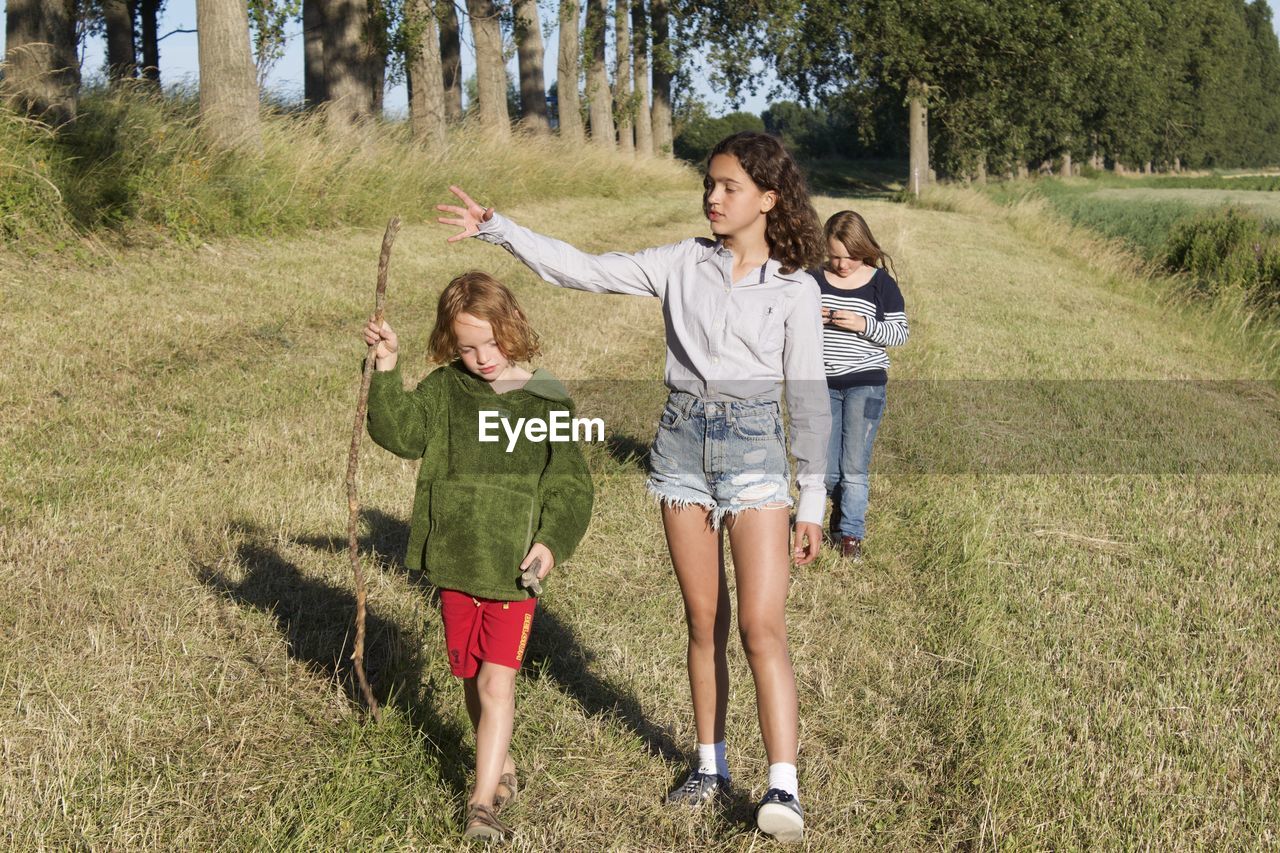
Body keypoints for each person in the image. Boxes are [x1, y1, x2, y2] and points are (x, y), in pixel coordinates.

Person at [437, 132, 829, 843]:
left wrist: (814, 499)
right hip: (681, 447)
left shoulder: (795, 290)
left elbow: (808, 400)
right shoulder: (682, 263)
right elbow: (583, 269)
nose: (712, 197)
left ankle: (782, 784)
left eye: (729, 187)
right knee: (702, 622)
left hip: (755, 454)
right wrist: (500, 229)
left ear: (768, 200)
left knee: (760, 627)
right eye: (709, 184)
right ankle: (709, 766)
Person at [362, 271, 594, 843]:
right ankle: (501, 764)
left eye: (491, 344)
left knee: (497, 684)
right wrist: (386, 368)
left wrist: (551, 542)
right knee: (470, 675)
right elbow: (402, 434)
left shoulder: (547, 397)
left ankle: (481, 802)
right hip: (455, 559)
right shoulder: (445, 390)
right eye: (466, 347)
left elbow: (571, 485)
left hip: (513, 569)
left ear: (513, 329)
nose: (481, 358)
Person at [815, 210, 909, 560]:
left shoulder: (879, 283)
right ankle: (838, 507)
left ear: (863, 248)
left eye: (850, 257)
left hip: (865, 383)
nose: (842, 264)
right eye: (835, 256)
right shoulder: (814, 279)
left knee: (854, 465)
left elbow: (900, 334)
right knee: (824, 469)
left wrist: (862, 324)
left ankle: (849, 533)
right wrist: (812, 316)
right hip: (822, 383)